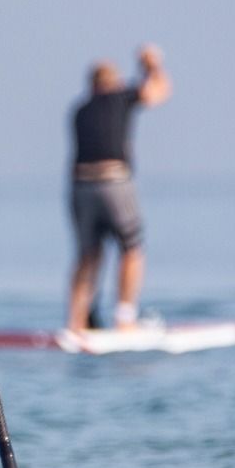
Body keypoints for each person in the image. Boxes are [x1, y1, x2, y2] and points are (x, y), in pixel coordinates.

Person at [64, 44, 171, 334]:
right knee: (132, 247)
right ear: (115, 83)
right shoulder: (120, 98)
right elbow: (158, 91)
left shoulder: (79, 110)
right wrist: (152, 66)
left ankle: (76, 322)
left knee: (88, 254)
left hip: (79, 187)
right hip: (113, 183)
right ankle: (125, 319)